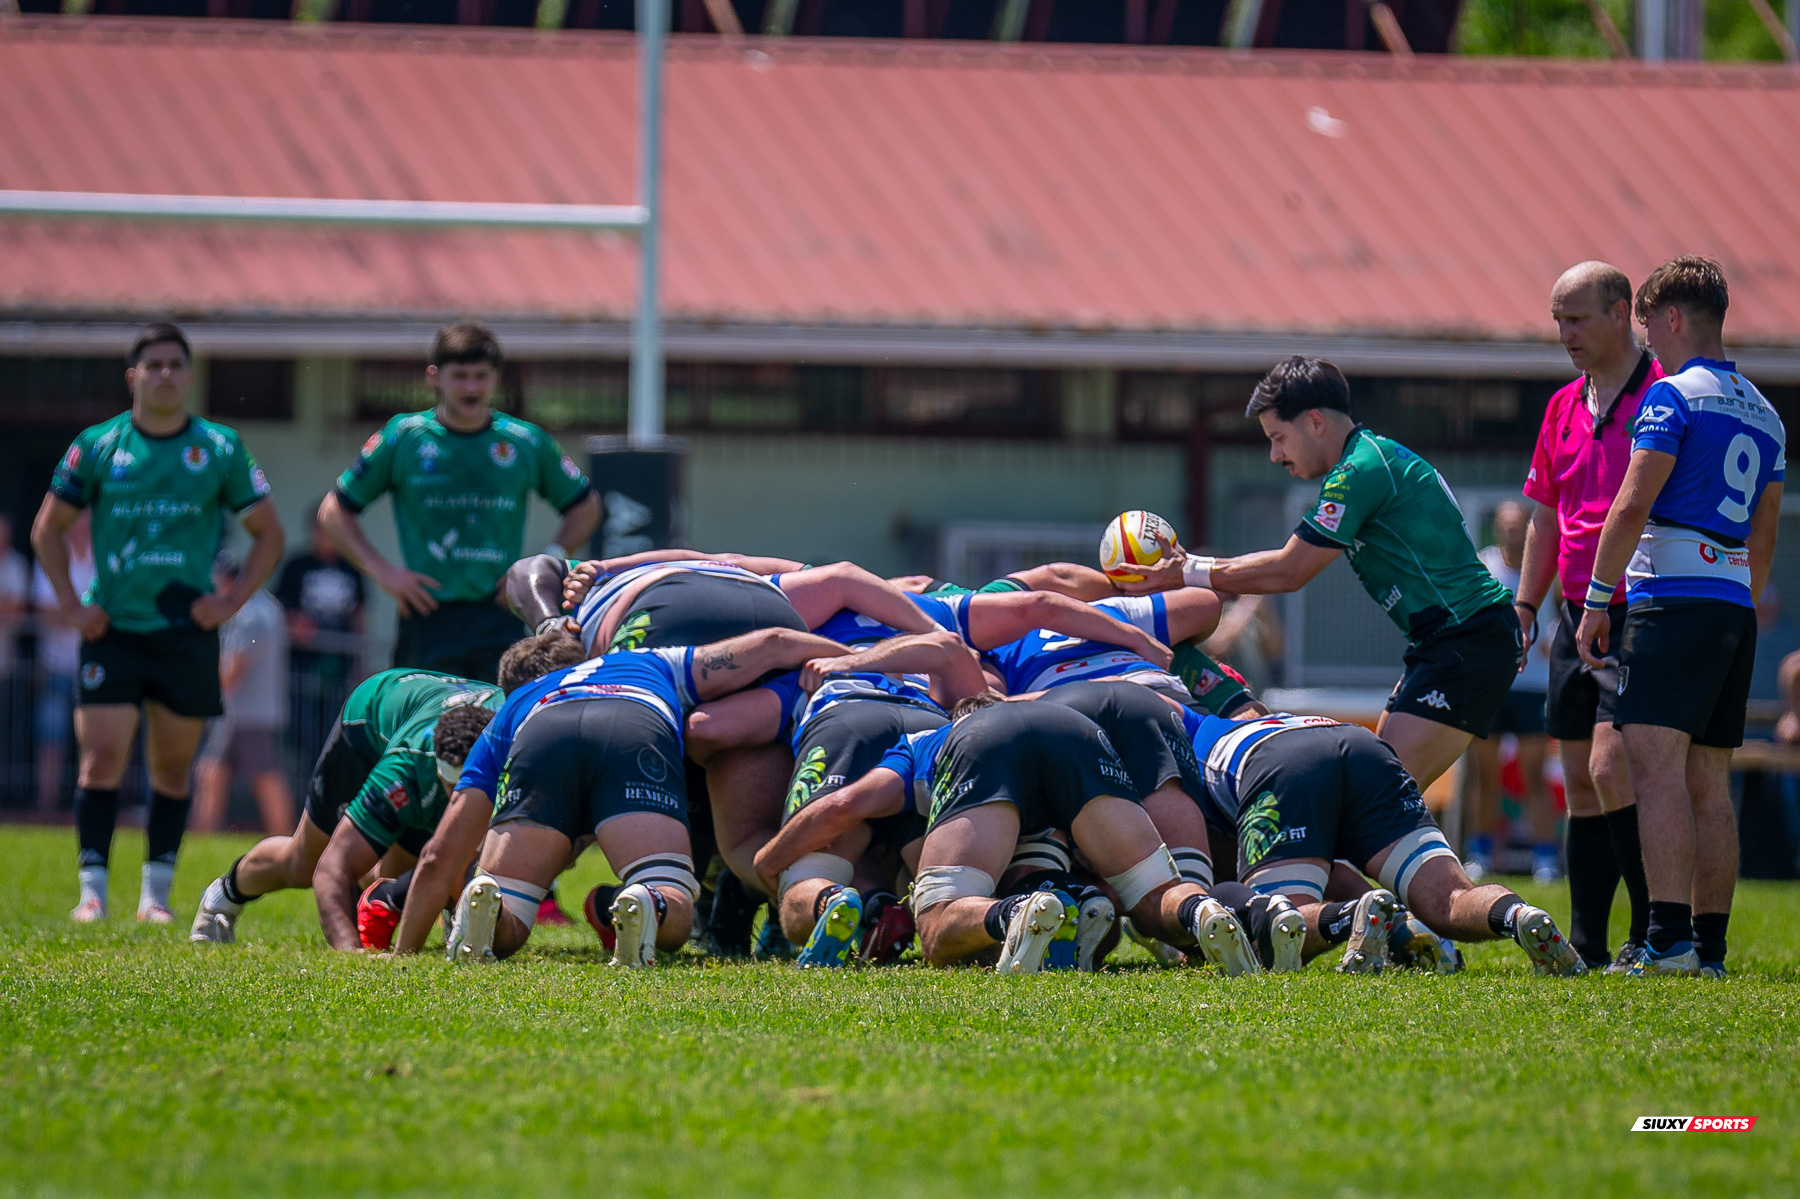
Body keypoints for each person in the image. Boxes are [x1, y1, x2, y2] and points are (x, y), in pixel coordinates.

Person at [1121, 356, 1519, 790]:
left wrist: (1188, 572)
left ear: (1314, 422)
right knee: (1378, 795)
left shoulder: (1359, 470)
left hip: (1467, 638)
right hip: (1448, 641)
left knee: (1379, 796)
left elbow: (1289, 570)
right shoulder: (1368, 460)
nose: (1275, 455)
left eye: (1278, 438)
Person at [397, 625, 856, 964]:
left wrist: (405, 954)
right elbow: (775, 642)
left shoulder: (517, 702)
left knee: (513, 904)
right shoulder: (651, 660)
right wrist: (860, 667)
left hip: (543, 730)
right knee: (668, 887)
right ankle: (651, 901)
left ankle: (494, 903)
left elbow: (440, 855)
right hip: (632, 718)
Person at [31, 323, 284, 924]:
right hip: (111, 630)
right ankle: (92, 892)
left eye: (176, 364)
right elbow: (48, 530)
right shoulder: (97, 444)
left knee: (172, 766)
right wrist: (72, 603)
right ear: (133, 376)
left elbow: (269, 534)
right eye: (154, 365)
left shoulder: (220, 447)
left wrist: (230, 603)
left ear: (189, 375)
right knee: (101, 760)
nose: (165, 374)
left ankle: (156, 898)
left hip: (184, 632)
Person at [1577, 256, 1786, 979]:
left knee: (1655, 766)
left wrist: (1599, 598)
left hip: (1673, 597)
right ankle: (1712, 949)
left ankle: (1666, 940)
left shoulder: (1669, 398)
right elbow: (1764, 535)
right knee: (1709, 777)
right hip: (1733, 604)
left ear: (1670, 319)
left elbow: (1631, 504)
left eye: (1648, 326)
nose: (1649, 345)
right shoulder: (1767, 413)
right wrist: (1736, 598)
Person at [1183, 708, 1585, 975]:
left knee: (1277, 926)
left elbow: (1195, 869)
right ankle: (1518, 916)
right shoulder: (1233, 717)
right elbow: (1332, 869)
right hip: (1362, 746)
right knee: (1450, 898)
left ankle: (1350, 915)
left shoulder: (1173, 750)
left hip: (1282, 764)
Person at [1513, 260, 1662, 971]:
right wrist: (1524, 604)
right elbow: (1546, 516)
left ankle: (1655, 932)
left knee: (1611, 765)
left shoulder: (1663, 396)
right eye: (1557, 319)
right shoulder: (1562, 405)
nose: (1564, 333)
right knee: (1577, 775)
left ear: (1621, 312)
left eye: (1576, 318)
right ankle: (1589, 943)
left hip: (1638, 607)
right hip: (1575, 612)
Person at [318, 321, 600, 683]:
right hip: (428, 613)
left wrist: (548, 560)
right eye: (460, 375)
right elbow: (334, 511)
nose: (471, 387)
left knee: (497, 729)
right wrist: (385, 574)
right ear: (434, 376)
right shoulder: (405, 437)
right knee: (423, 730)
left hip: (501, 613)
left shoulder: (524, 441)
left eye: (481, 376)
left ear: (496, 378)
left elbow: (586, 505)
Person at [188, 666, 504, 947]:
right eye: (452, 790)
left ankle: (446, 910)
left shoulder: (515, 741)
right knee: (305, 864)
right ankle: (225, 893)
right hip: (368, 723)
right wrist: (351, 956)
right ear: (436, 773)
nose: (458, 801)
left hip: (434, 717)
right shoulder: (406, 767)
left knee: (397, 876)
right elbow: (329, 870)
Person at [1469, 500, 1558, 884]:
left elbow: (1561, 616)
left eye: (1519, 526)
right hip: (1490, 687)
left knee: (1533, 777)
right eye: (1505, 526)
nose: (1512, 533)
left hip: (1534, 686)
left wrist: (1552, 640)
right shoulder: (1482, 567)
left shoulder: (1545, 571)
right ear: (1497, 529)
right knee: (1484, 775)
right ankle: (1480, 852)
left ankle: (1546, 858)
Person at [192, 553, 295, 835]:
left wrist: (195, 687)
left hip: (249, 715)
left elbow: (233, 671)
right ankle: (203, 838)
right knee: (212, 773)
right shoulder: (262, 607)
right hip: (246, 713)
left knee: (266, 781)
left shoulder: (251, 613)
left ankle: (288, 844)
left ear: (230, 581)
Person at [274, 504, 366, 766]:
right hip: (303, 669)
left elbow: (360, 616)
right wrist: (295, 625)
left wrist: (360, 662)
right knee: (302, 734)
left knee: (333, 732)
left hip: (338, 669)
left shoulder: (352, 568)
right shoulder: (296, 565)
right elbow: (278, 610)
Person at [30, 510, 95, 811]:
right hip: (55, 664)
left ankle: (88, 804)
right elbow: (44, 611)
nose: (80, 529)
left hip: (93, 666)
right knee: (51, 737)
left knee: (95, 742)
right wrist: (85, 615)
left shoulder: (102, 554)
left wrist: (69, 611)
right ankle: (47, 805)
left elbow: (108, 609)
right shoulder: (51, 555)